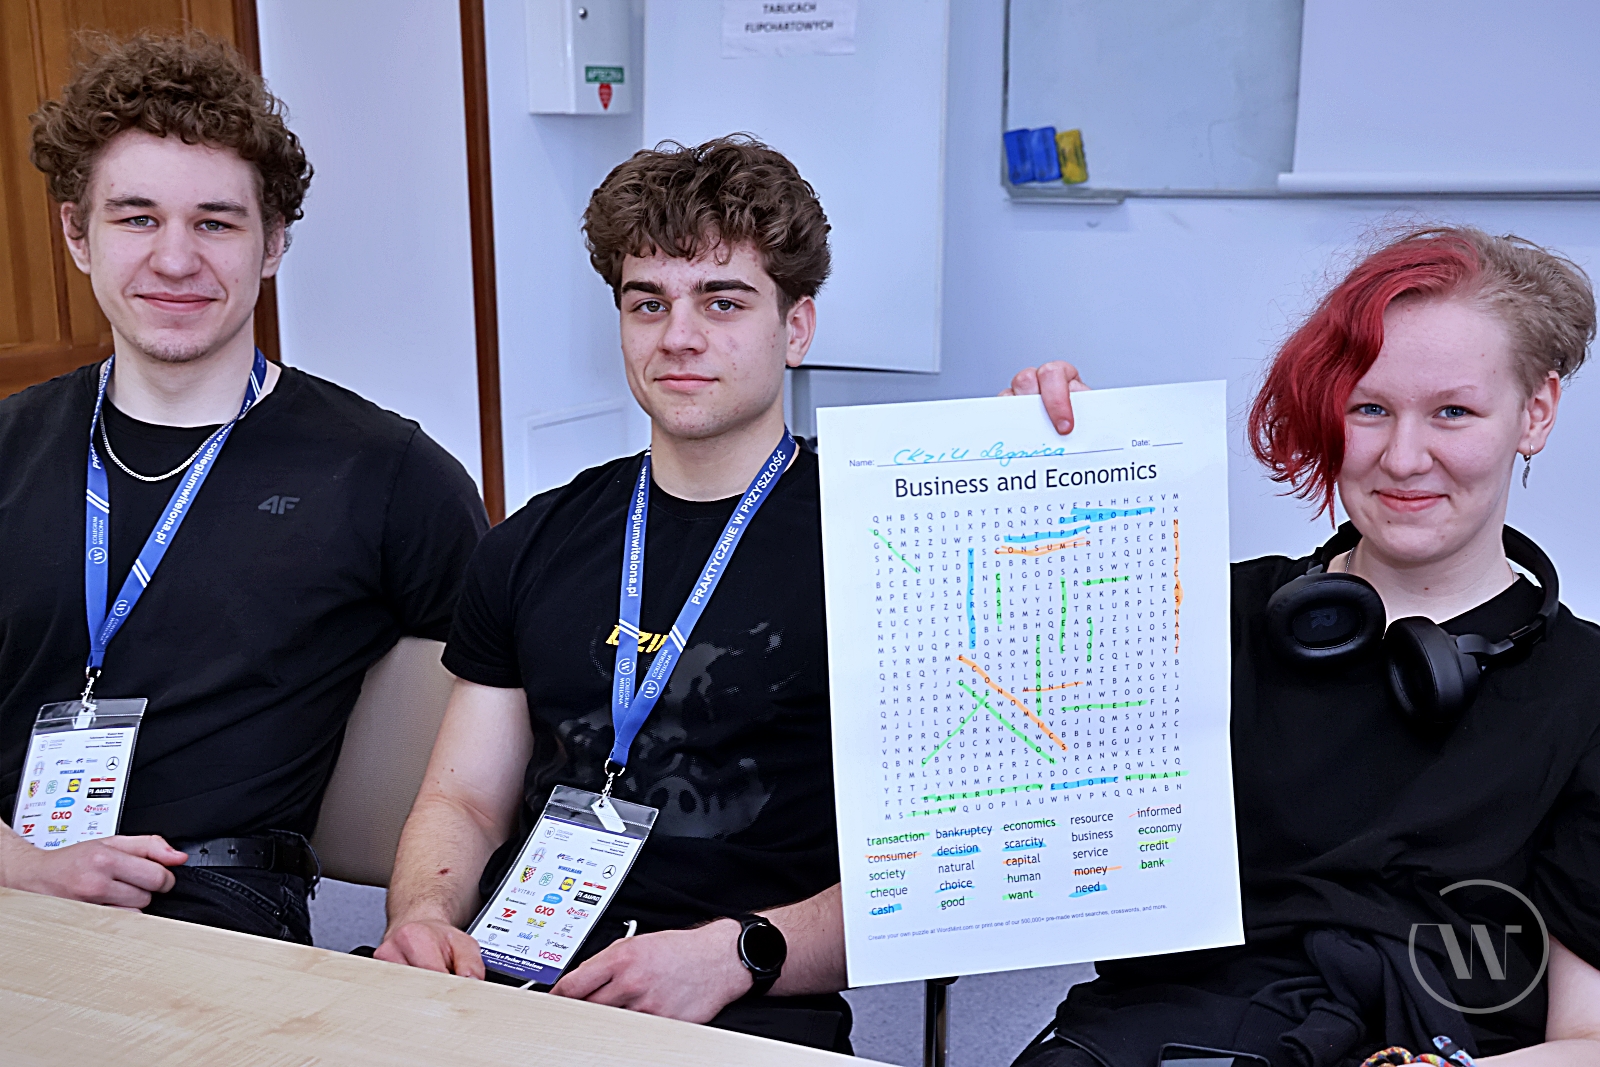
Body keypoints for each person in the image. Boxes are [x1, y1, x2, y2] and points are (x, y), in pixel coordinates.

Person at [1005, 227, 1600, 1066]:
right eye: (1369, 408)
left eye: (1453, 412)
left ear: (1534, 413)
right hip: (1151, 1041)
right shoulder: (1200, 614)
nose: (1403, 457)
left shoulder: (1586, 692)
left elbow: (1587, 1038)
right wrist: (1023, 478)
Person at [0, 33, 487, 943]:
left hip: (214, 918)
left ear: (274, 242)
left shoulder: (387, 474)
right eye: (136, 218)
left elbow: (516, 702)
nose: (175, 259)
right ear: (76, 234)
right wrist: (20, 866)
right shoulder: (7, 447)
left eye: (215, 223)